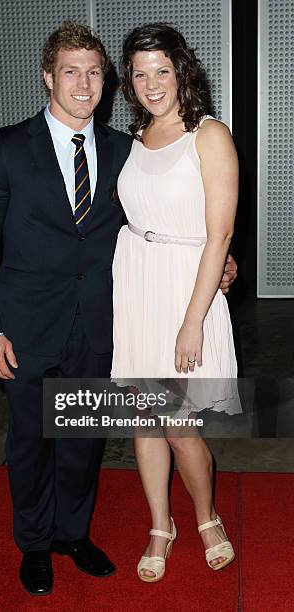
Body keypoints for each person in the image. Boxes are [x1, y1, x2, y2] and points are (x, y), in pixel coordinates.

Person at [0, 22, 237, 596]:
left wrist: (222, 266)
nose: (83, 84)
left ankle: (72, 534)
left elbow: (166, 217)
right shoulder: (8, 147)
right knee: (33, 440)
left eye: (93, 72)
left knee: (83, 441)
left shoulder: (122, 149)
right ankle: (35, 545)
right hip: (27, 327)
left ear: (105, 82)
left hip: (107, 322)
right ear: (48, 77)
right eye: (70, 71)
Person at [111, 23, 240, 582]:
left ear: (181, 70)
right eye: (140, 73)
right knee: (145, 419)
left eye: (161, 69)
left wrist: (195, 322)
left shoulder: (209, 135)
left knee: (179, 423)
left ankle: (207, 517)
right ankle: (161, 525)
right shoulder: (134, 137)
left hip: (185, 294)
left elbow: (219, 237)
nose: (151, 82)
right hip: (136, 285)